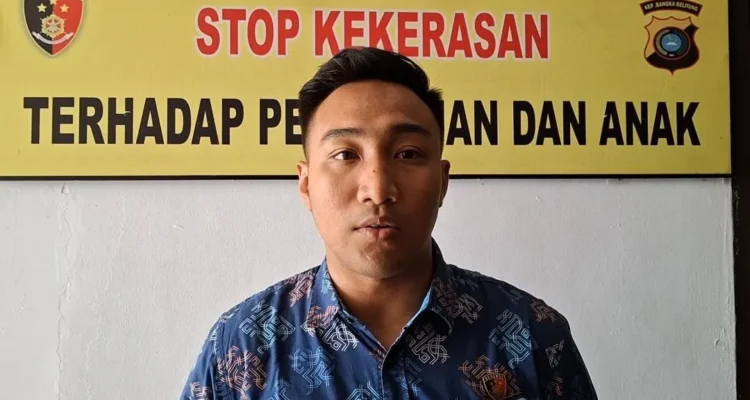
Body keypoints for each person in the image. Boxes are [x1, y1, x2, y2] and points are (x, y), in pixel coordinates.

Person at [180, 47, 597, 400]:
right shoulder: (241, 348)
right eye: (345, 155)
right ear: (306, 185)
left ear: (442, 182)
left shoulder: (532, 335)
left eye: (408, 153)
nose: (378, 189)